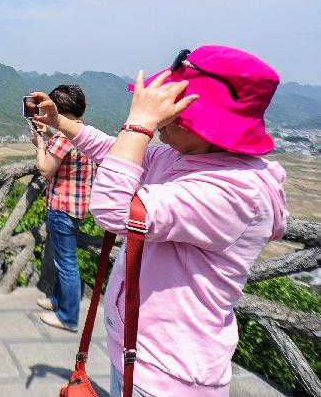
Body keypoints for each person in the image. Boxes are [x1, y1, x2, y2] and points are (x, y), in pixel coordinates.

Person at [31, 46, 288, 396]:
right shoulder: (183, 156)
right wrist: (61, 124)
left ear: (193, 119)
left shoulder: (234, 191)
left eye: (170, 111)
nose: (164, 119)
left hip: (170, 374)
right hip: (139, 352)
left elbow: (112, 209)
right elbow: (113, 151)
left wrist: (140, 123)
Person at [31, 85, 95, 332]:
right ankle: (58, 301)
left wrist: (39, 144)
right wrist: (48, 136)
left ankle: (68, 317)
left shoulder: (62, 138)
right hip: (77, 206)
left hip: (61, 206)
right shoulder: (85, 132)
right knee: (63, 259)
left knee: (66, 263)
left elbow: (46, 169)